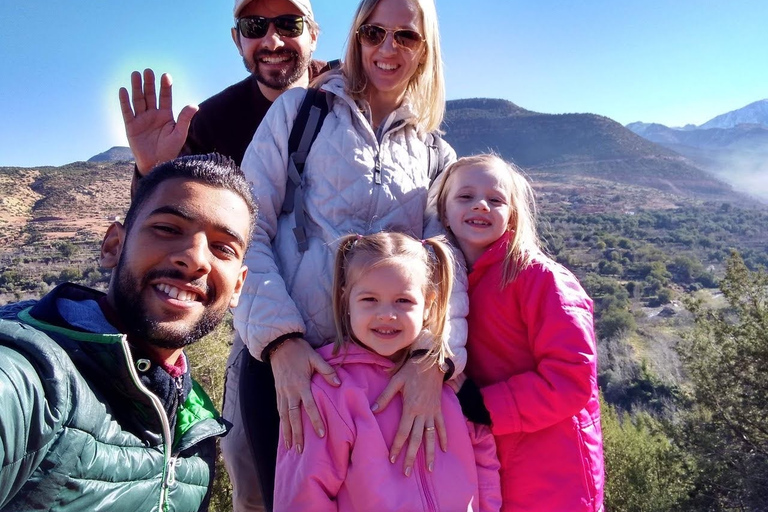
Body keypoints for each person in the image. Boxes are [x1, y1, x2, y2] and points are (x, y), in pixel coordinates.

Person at [234, 0, 465, 506]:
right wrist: (281, 341)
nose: (387, 48)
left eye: (405, 36)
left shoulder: (435, 155)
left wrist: (434, 358)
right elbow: (244, 230)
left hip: (382, 376)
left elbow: (448, 269)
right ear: (356, 36)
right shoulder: (297, 115)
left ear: (425, 49)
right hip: (291, 365)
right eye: (374, 32)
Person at [118, 1, 327, 509]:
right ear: (238, 40)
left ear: (313, 34)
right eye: (256, 27)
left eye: (288, 24)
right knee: (250, 467)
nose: (273, 41)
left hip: (360, 316)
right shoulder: (216, 119)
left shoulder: (345, 97)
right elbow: (166, 224)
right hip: (259, 313)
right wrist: (151, 171)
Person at [0, 153, 257, 512]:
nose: (196, 258)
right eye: (168, 229)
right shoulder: (28, 382)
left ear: (238, 287)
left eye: (222, 248)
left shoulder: (196, 424)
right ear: (113, 247)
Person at [274, 232, 501, 511]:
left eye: (403, 301)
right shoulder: (330, 390)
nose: (386, 314)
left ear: (428, 304)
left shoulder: (447, 382)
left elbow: (484, 457)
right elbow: (304, 493)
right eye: (370, 299)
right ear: (346, 301)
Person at [436, 154, 605, 511]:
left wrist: (480, 405)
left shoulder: (541, 279)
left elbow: (572, 378)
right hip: (488, 459)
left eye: (496, 199)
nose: (481, 204)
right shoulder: (444, 279)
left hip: (552, 469)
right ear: (442, 209)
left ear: (512, 213)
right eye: (465, 197)